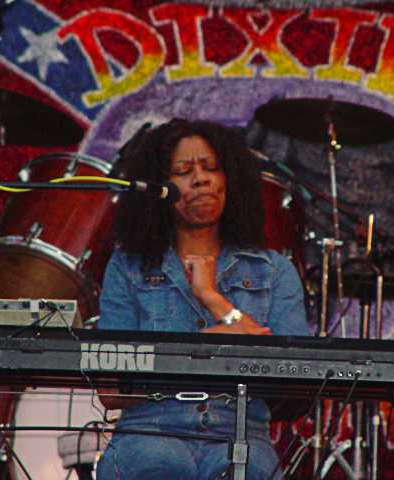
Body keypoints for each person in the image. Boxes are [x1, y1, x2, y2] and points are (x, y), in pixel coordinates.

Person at [96, 118, 310, 480]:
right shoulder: (127, 267)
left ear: (230, 179)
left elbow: (293, 378)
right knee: (160, 467)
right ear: (159, 189)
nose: (200, 179)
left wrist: (212, 298)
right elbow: (111, 390)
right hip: (150, 430)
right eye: (183, 171)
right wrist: (211, 343)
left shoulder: (274, 271)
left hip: (240, 433)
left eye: (211, 167)